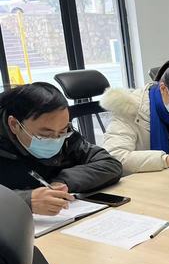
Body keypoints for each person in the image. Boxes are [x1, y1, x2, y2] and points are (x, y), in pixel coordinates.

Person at [0, 82, 122, 216]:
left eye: (62, 132)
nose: (56, 140)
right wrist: (26, 200)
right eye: (45, 135)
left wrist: (62, 182)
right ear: (14, 125)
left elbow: (110, 164)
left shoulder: (67, 137)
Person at [101, 60, 169, 175]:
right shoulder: (130, 108)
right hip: (136, 181)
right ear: (163, 89)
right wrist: (167, 160)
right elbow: (115, 157)